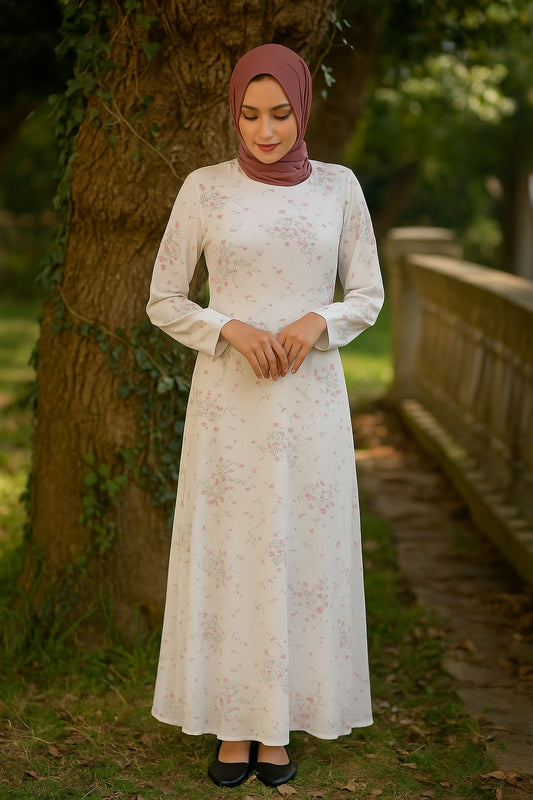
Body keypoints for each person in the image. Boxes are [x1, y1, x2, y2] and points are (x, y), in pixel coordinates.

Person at [147, 43, 384, 788]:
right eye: (249, 115)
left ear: (302, 108)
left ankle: (280, 724)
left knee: (299, 554)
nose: (265, 131)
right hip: (228, 404)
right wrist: (228, 328)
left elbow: (367, 296)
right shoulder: (203, 189)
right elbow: (163, 299)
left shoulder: (339, 188)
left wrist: (317, 320)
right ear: (233, 115)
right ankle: (231, 722)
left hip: (309, 403)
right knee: (232, 553)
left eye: (279, 114)